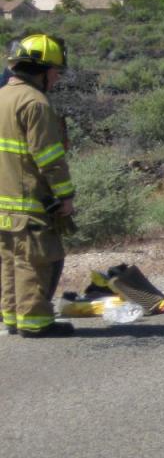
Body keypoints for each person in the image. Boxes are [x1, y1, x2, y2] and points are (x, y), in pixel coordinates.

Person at [0, 34, 76, 337]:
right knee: (36, 260)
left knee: (9, 260)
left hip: (3, 203)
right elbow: (49, 158)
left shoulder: (3, 95)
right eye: (56, 72)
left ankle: (12, 316)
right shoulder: (35, 103)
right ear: (41, 70)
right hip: (29, 202)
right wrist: (65, 195)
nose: (57, 79)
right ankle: (35, 322)